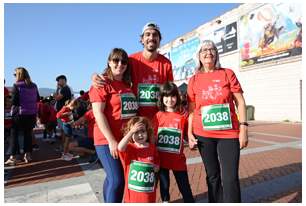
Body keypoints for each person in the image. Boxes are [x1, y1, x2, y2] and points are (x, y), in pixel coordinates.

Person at [187, 40, 248, 203]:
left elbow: (240, 102)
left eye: (212, 49)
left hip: (228, 133)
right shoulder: (193, 80)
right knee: (212, 176)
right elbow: (191, 110)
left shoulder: (227, 73)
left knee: (230, 178)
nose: (208, 52)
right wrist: (189, 133)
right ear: (198, 56)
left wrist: (244, 128)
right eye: (204, 50)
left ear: (216, 53)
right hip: (203, 135)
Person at [92, 22, 173, 120]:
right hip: (135, 121)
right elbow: (113, 73)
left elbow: (170, 92)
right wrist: (94, 76)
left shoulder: (166, 63)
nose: (151, 38)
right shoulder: (131, 60)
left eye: (155, 35)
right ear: (142, 40)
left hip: (159, 120)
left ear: (159, 40)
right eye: (147, 34)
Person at [89, 48, 138, 203]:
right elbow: (98, 114)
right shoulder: (102, 84)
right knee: (117, 180)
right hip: (106, 140)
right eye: (116, 60)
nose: (120, 64)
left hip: (123, 140)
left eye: (123, 61)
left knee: (112, 178)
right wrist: (111, 140)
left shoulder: (127, 84)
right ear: (109, 62)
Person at [152, 82, 194, 203]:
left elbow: (187, 133)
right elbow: (153, 138)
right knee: (164, 188)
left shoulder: (183, 115)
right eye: (166, 96)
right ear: (162, 98)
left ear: (177, 97)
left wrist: (191, 139)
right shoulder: (158, 115)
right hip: (162, 160)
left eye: (173, 96)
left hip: (178, 161)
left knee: (185, 187)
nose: (169, 100)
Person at [118, 116, 160, 203]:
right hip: (132, 195)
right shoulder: (129, 148)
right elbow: (120, 147)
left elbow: (157, 164)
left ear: (147, 132)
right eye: (136, 132)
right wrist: (131, 131)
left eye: (143, 131)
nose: (140, 135)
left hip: (148, 194)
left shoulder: (152, 148)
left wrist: (156, 167)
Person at [5, 67, 40, 165]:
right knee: (28, 134)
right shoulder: (34, 85)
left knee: (14, 134)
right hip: (31, 114)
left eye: (15, 75)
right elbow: (37, 98)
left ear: (19, 75)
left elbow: (15, 101)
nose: (14, 76)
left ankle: (13, 157)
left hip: (19, 114)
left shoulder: (16, 85)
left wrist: (9, 100)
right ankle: (27, 155)